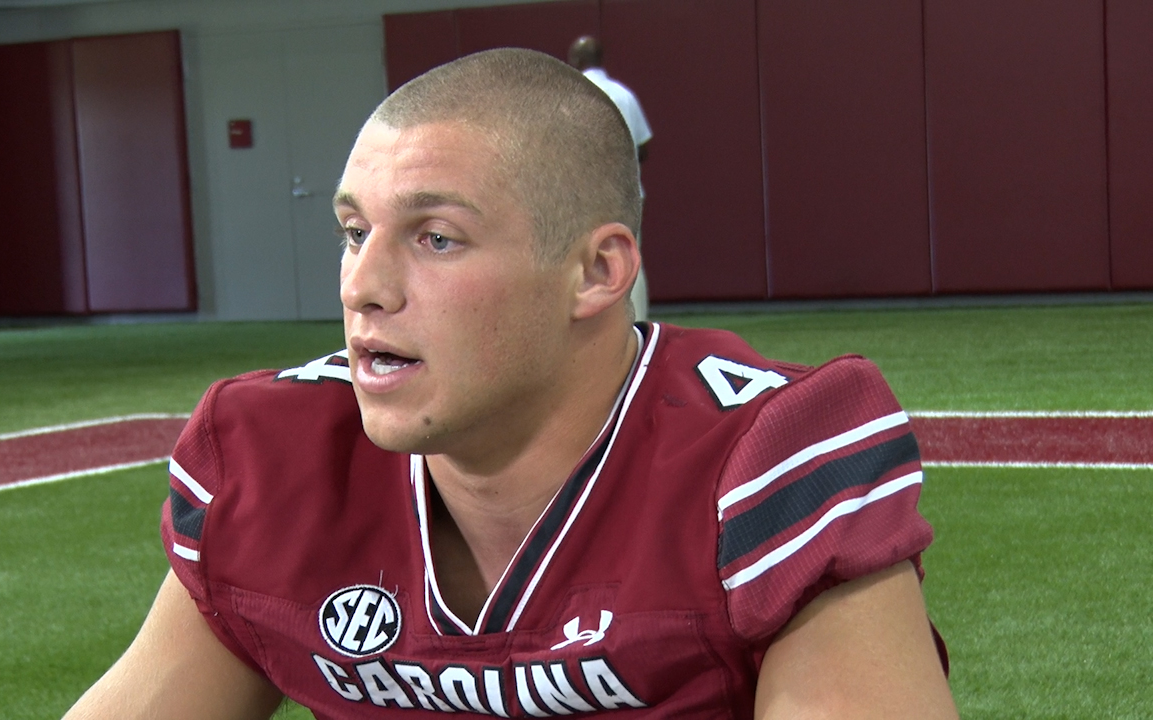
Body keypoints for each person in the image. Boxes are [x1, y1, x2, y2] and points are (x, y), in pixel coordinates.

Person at [64, 48, 957, 719]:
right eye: (352, 231)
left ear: (596, 272)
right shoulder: (270, 455)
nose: (361, 285)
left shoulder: (764, 456)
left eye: (435, 237)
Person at [567, 35, 653, 322]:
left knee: (578, 259)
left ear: (577, 61)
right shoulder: (623, 94)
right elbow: (643, 146)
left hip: (583, 193)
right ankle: (637, 322)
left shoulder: (572, 93)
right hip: (626, 192)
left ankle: (589, 322)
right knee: (630, 257)